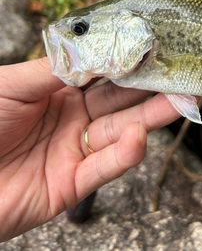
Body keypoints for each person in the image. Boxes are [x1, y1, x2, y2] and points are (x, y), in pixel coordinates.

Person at [0, 57, 180, 243]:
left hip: (80, 136)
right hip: (80, 141)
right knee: (90, 165)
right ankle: (77, 214)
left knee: (93, 162)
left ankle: (77, 214)